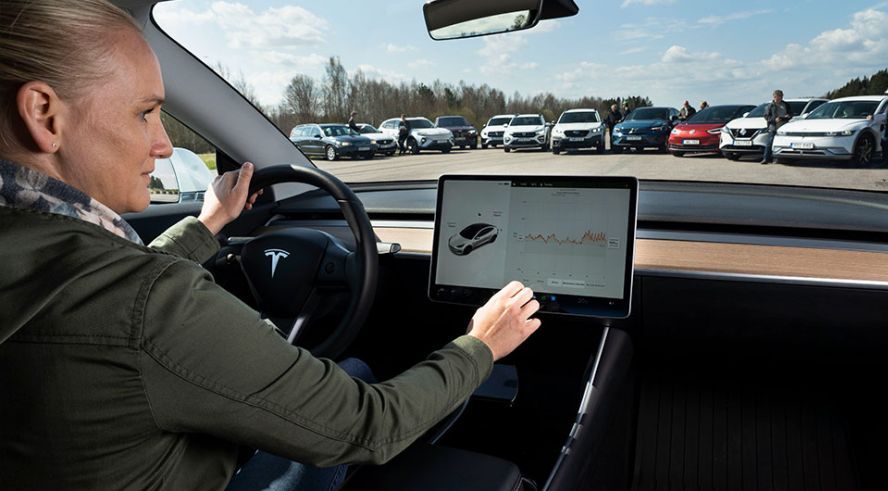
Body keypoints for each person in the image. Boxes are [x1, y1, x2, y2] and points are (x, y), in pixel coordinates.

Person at [0, 1, 542, 490]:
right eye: (144, 112)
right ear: (44, 114)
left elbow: (110, 290)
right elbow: (369, 426)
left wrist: (208, 224)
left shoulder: (42, 253)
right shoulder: (147, 304)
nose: (164, 144)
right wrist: (482, 345)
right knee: (353, 377)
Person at [761, 89, 792, 164]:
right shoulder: (770, 106)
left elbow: (790, 114)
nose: (778, 98)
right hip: (773, 127)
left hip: (783, 126)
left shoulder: (786, 105)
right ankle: (766, 158)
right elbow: (766, 117)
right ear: (774, 97)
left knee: (782, 143)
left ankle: (780, 159)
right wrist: (774, 120)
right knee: (769, 143)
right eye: (776, 97)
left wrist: (786, 117)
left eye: (780, 97)